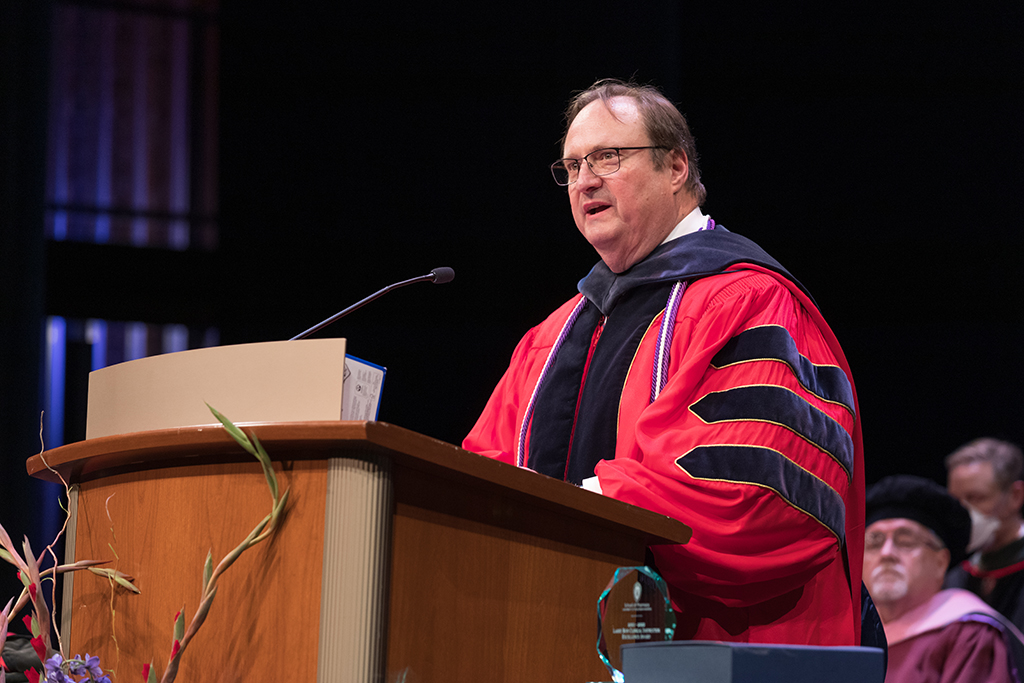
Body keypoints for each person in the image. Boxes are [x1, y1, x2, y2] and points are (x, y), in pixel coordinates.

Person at [462, 78, 864, 645]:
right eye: (572, 166)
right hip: (546, 639)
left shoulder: (748, 301)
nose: (586, 180)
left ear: (676, 167)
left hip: (720, 648)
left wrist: (580, 504)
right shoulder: (551, 337)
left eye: (608, 157)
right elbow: (482, 476)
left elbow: (756, 497)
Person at [864, 474, 1018, 683]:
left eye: (906, 541)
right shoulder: (850, 635)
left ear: (941, 562)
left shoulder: (969, 634)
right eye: (873, 543)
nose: (887, 553)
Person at [945, 438, 1024, 633]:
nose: (964, 513)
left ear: (1016, 496)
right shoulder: (956, 577)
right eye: (956, 501)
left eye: (976, 498)